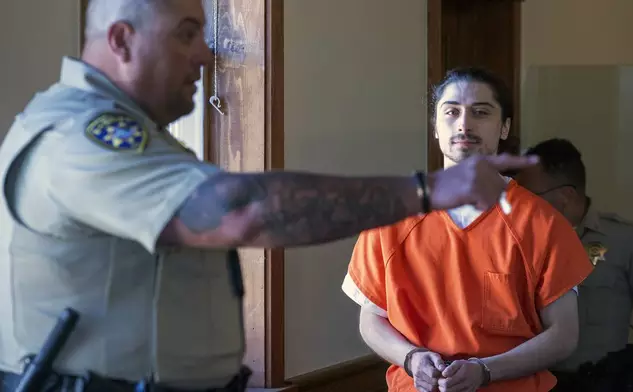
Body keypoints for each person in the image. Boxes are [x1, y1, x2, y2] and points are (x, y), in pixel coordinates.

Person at [0, 1, 540, 391]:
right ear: (120, 40)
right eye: (186, 34)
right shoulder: (82, 140)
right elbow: (239, 212)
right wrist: (428, 190)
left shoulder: (139, 138)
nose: (205, 55)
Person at [341, 67, 594, 392]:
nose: (464, 124)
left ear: (504, 128)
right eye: (451, 112)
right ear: (435, 126)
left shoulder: (543, 224)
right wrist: (412, 359)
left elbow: (563, 335)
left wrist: (485, 371)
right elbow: (371, 319)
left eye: (481, 112)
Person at [514, 138, 633, 392]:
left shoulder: (623, 239)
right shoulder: (518, 244)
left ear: (566, 196)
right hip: (537, 382)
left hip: (604, 382)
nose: (521, 206)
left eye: (529, 196)